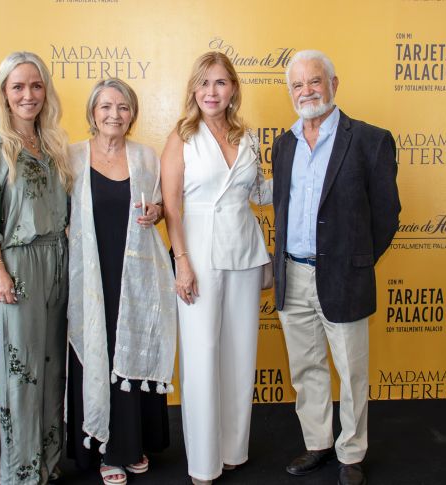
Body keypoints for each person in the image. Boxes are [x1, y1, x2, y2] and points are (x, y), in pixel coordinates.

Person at [270, 49, 401, 485]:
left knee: (351, 370)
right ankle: (317, 444)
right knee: (306, 369)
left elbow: (386, 215)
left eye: (314, 81)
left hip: (344, 276)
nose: (306, 91)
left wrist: (356, 262)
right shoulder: (284, 143)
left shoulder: (369, 140)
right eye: (298, 85)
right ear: (291, 92)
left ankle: (351, 453)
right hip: (294, 274)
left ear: (333, 84)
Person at [160, 51, 272, 485]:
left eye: (221, 83)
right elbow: (171, 206)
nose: (212, 91)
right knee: (202, 355)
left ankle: (232, 451)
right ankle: (203, 463)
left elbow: (259, 191)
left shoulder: (248, 137)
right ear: (193, 89)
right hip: (199, 254)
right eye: (204, 83)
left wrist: (304, 176)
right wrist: (182, 263)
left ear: (233, 90)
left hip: (244, 253)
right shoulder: (181, 137)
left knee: (241, 354)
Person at [0, 51, 73, 485]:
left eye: (36, 85)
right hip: (16, 265)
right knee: (21, 372)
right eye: (18, 87)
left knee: (51, 368)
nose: (28, 95)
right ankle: (21, 472)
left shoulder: (52, 143)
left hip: (57, 263)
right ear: (4, 94)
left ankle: (48, 463)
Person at [65, 77, 177, 485]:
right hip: (91, 276)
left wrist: (157, 211)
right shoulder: (71, 156)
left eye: (123, 107)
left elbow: (163, 206)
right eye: (106, 107)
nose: (115, 114)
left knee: (131, 349)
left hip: (135, 276)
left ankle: (132, 446)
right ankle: (105, 451)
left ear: (133, 114)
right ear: (93, 113)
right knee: (97, 350)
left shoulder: (145, 157)